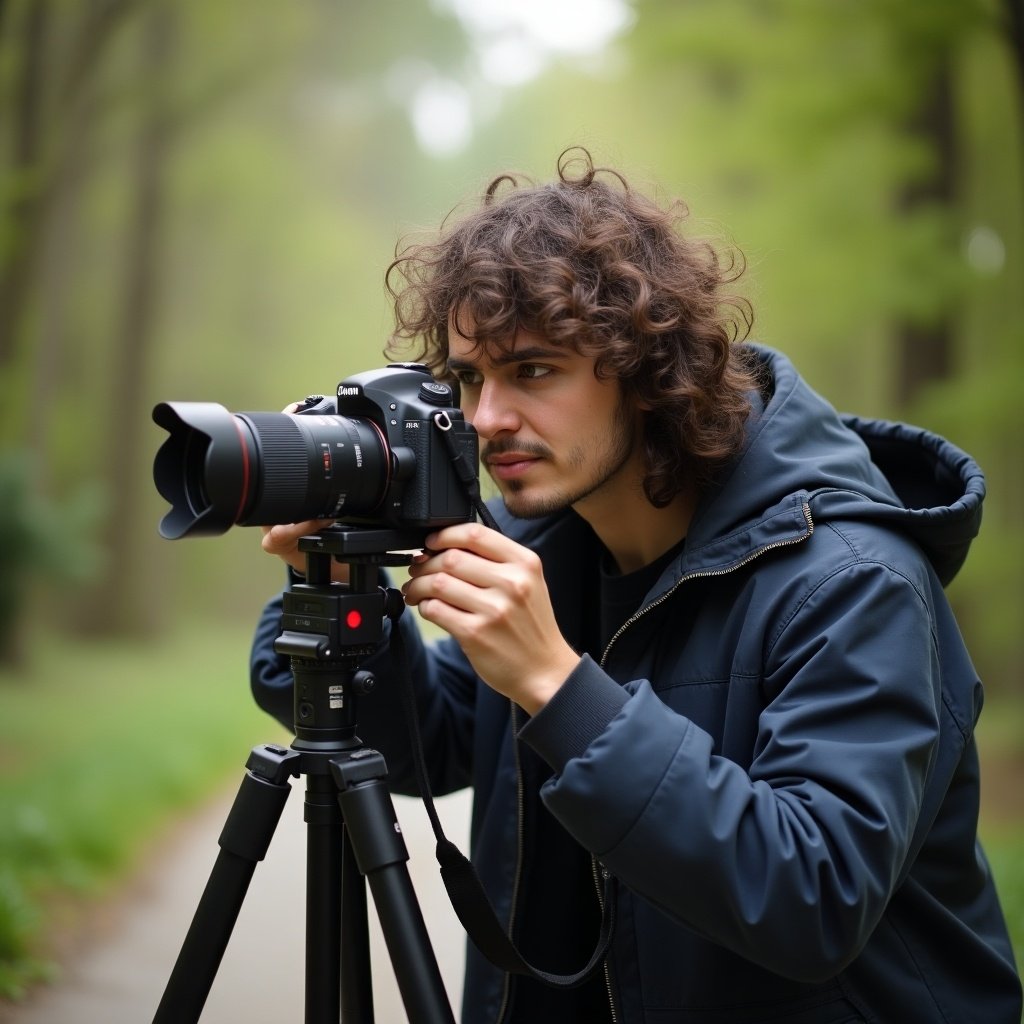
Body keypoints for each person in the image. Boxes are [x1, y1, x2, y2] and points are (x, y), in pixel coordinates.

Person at [251, 148, 1022, 1024]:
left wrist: (558, 686)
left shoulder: (854, 579)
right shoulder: (551, 546)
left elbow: (817, 895)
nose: (485, 418)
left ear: (648, 370)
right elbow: (434, 739)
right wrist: (341, 587)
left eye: (532, 370)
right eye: (469, 377)